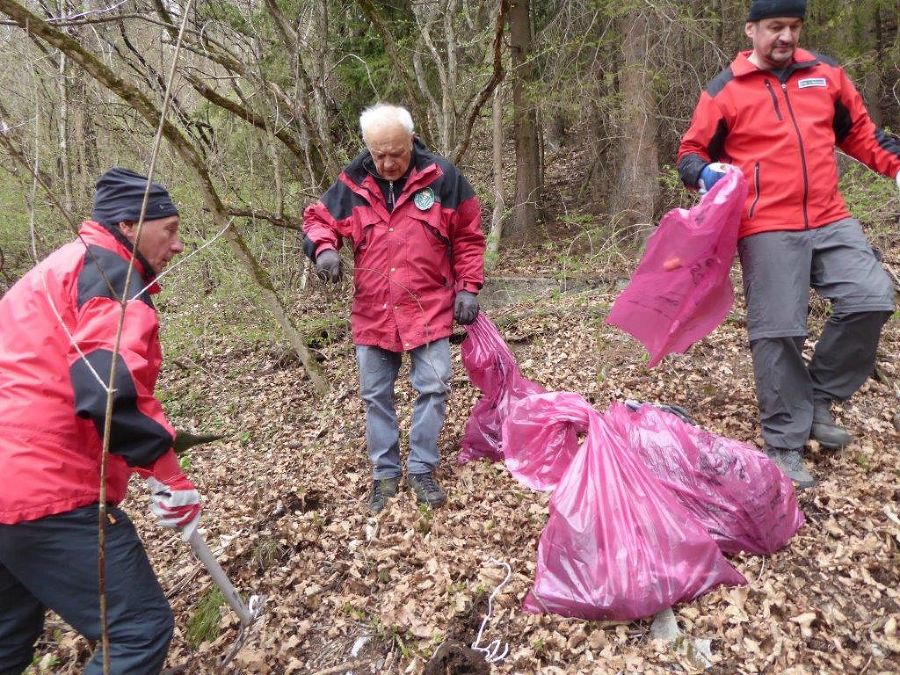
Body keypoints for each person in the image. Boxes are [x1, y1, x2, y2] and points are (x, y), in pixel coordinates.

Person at [677, 0, 899, 488]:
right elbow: (690, 154)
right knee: (778, 332)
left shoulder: (826, 76)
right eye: (775, 27)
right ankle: (784, 443)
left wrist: (897, 166)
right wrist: (705, 173)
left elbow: (862, 134)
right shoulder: (725, 90)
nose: (786, 37)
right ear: (751, 29)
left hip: (830, 216)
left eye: (794, 27)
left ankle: (817, 399)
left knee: (871, 297)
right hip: (766, 225)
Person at [0, 168, 202, 674]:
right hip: (47, 490)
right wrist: (169, 475)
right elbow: (106, 385)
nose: (177, 246)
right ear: (129, 226)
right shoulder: (110, 274)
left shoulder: (53, 272)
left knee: (6, 640)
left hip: (14, 489)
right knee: (138, 630)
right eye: (170, 229)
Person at [303, 103, 486, 513]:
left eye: (396, 153)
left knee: (434, 388)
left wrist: (468, 288)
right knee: (375, 396)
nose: (387, 163)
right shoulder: (351, 182)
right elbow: (318, 220)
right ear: (368, 147)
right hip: (374, 311)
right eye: (378, 154)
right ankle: (385, 475)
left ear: (411, 141)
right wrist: (324, 250)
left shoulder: (444, 178)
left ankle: (422, 469)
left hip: (429, 307)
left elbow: (469, 237)